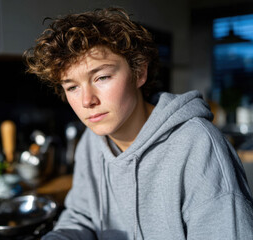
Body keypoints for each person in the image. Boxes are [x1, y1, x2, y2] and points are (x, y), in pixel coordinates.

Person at [23, 7, 253, 240]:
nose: (86, 101)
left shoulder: (199, 145)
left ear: (139, 72)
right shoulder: (91, 143)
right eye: (72, 87)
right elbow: (82, 217)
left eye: (102, 77)